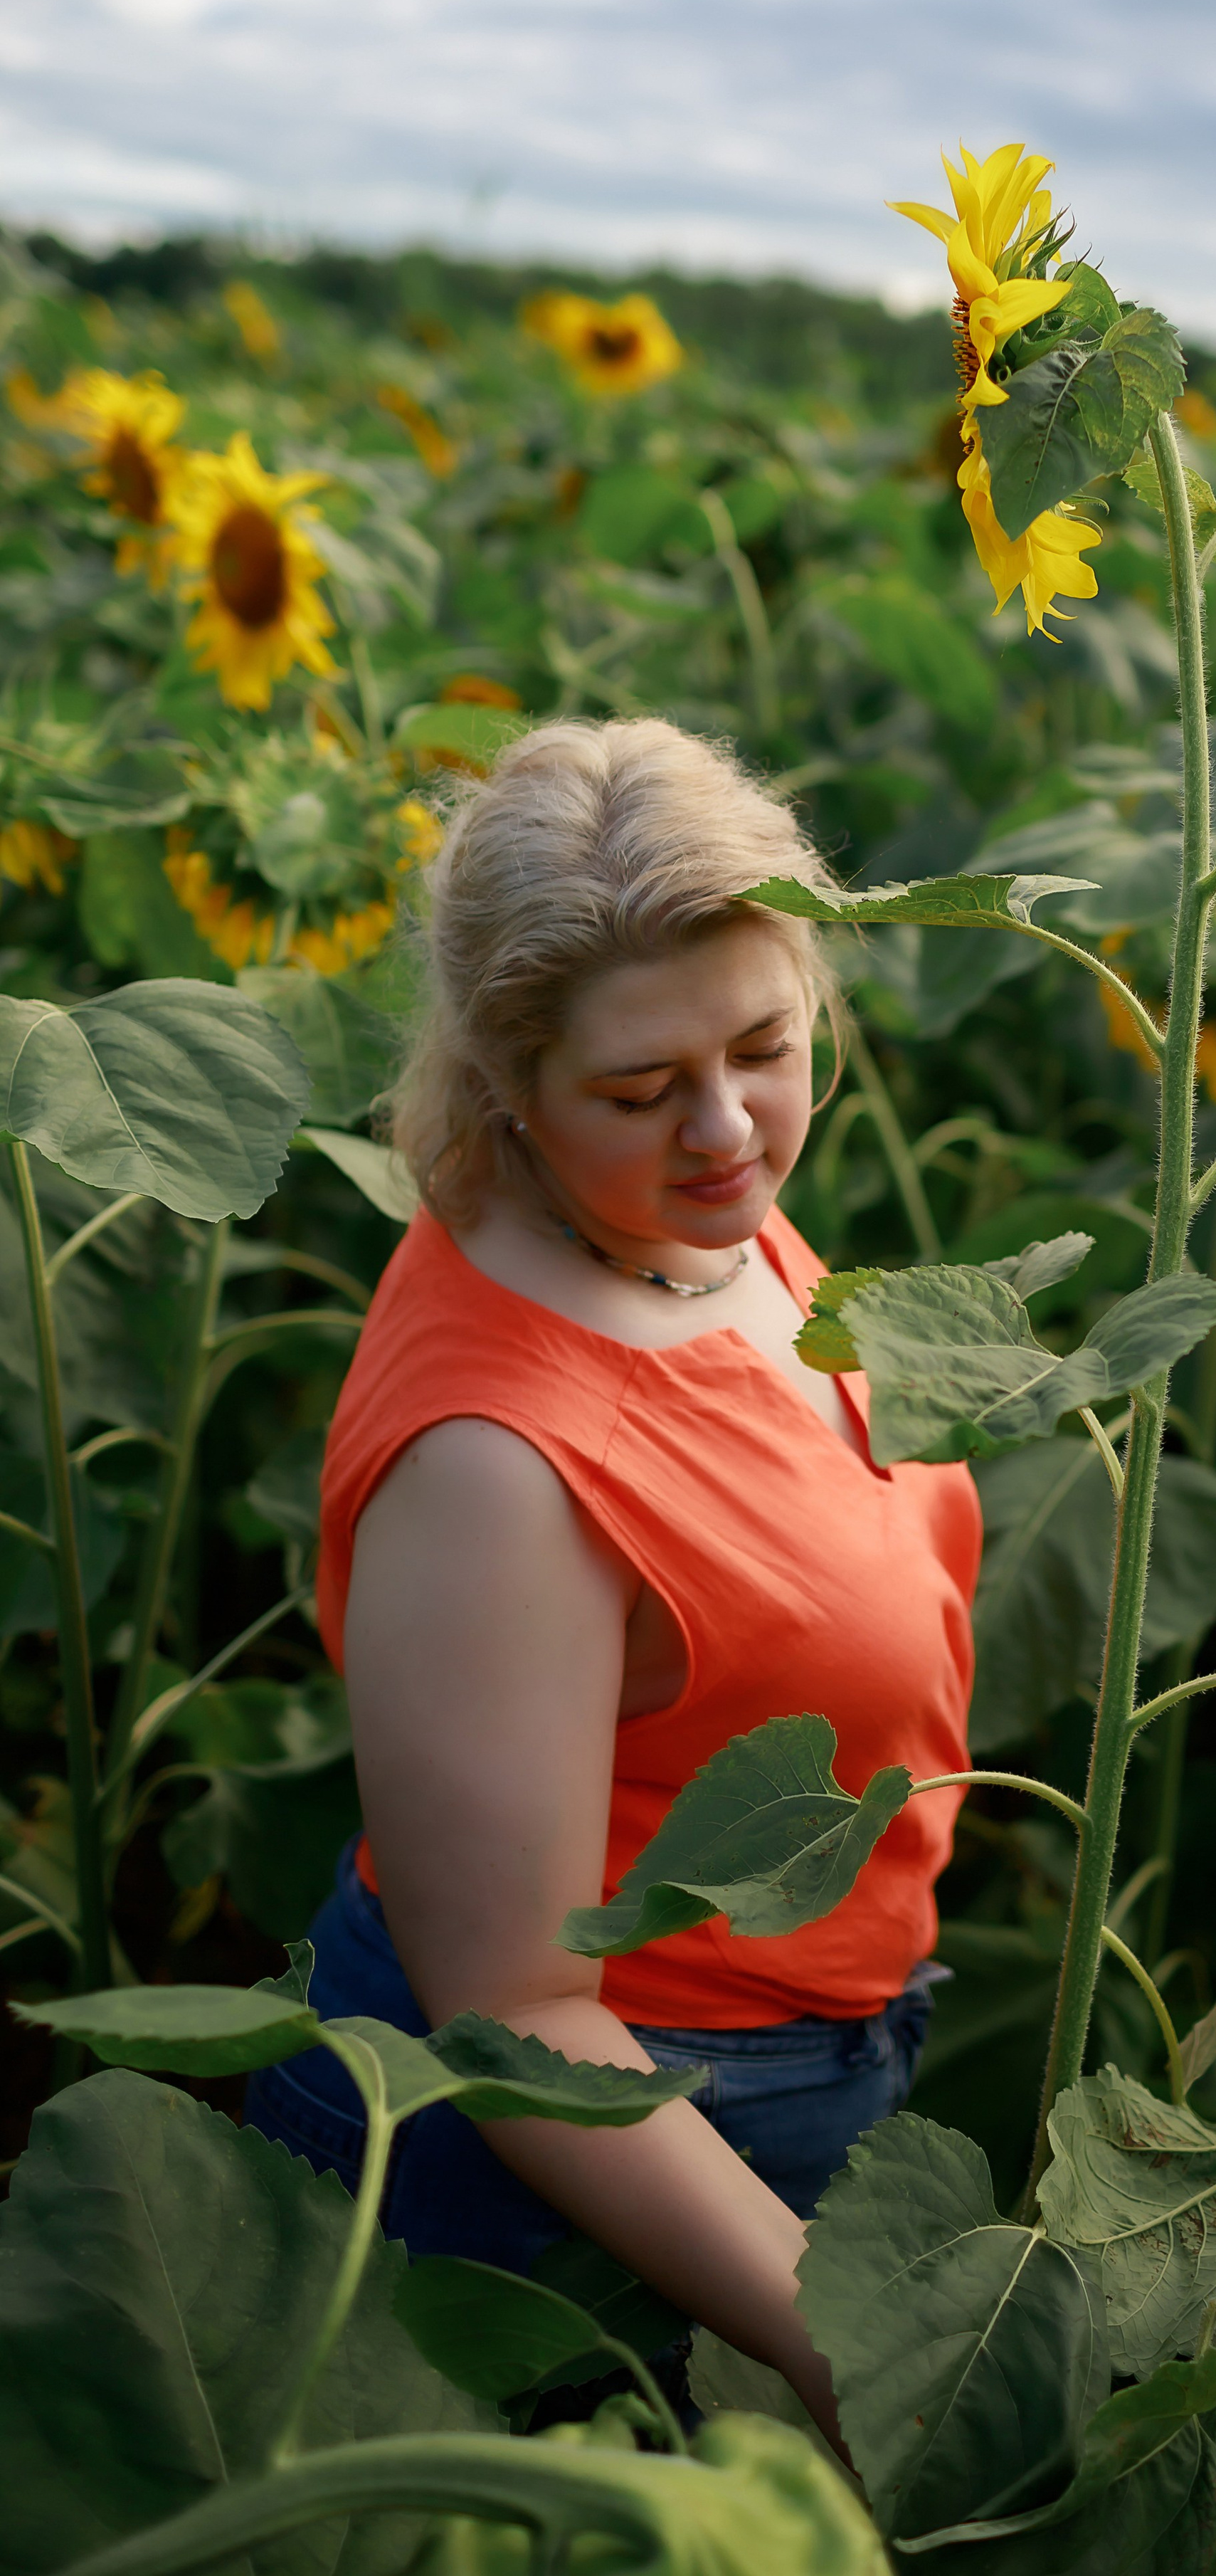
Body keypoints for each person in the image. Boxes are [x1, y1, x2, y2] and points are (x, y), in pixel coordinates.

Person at [243, 719, 980, 2441]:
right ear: (508, 1081)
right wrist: (840, 2340)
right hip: (585, 2182)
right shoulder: (496, 1469)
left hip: (793, 2062)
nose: (728, 1131)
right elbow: (515, 2012)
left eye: (766, 1047)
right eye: (644, 1090)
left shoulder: (661, 1214)